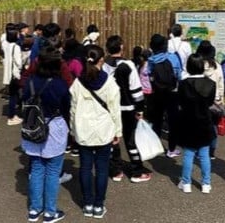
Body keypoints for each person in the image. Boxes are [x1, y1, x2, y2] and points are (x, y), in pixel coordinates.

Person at [70, 45, 122, 218]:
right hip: (104, 130)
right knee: (101, 169)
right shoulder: (109, 82)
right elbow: (115, 110)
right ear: (102, 60)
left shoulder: (78, 82)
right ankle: (99, 205)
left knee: (85, 168)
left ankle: (87, 204)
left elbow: (73, 109)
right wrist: (118, 131)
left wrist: (73, 130)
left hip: (83, 130)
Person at [22, 47, 70, 223]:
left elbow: (25, 99)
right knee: (52, 171)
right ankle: (50, 212)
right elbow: (67, 108)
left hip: (34, 125)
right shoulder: (60, 84)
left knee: (36, 168)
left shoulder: (31, 81)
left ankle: (35, 210)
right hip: (54, 126)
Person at [103, 35, 151, 183]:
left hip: (110, 108)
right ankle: (136, 171)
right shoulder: (128, 65)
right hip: (128, 107)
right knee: (131, 140)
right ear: (122, 48)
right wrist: (140, 109)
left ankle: (115, 170)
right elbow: (136, 91)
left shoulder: (104, 64)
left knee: (113, 139)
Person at [177, 54, 216, 194]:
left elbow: (180, 102)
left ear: (189, 66)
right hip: (205, 120)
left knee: (188, 153)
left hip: (188, 120)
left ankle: (186, 183)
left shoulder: (183, 84)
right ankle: (206, 184)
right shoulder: (211, 84)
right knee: (204, 154)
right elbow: (211, 103)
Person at [147, 34, 183, 158]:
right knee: (173, 121)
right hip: (172, 92)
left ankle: (156, 146)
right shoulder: (173, 57)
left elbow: (149, 76)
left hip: (157, 93)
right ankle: (171, 149)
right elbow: (179, 74)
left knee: (157, 120)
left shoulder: (151, 60)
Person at [196, 40, 225, 160]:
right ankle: (211, 151)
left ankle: (200, 150)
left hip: (200, 100)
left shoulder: (198, 65)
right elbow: (221, 84)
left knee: (199, 125)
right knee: (213, 126)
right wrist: (221, 99)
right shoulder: (217, 66)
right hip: (215, 100)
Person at [2, 27, 23, 126]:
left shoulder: (7, 45)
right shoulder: (16, 47)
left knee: (12, 95)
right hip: (14, 74)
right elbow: (19, 62)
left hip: (8, 74)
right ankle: (11, 117)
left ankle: (12, 115)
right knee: (14, 96)